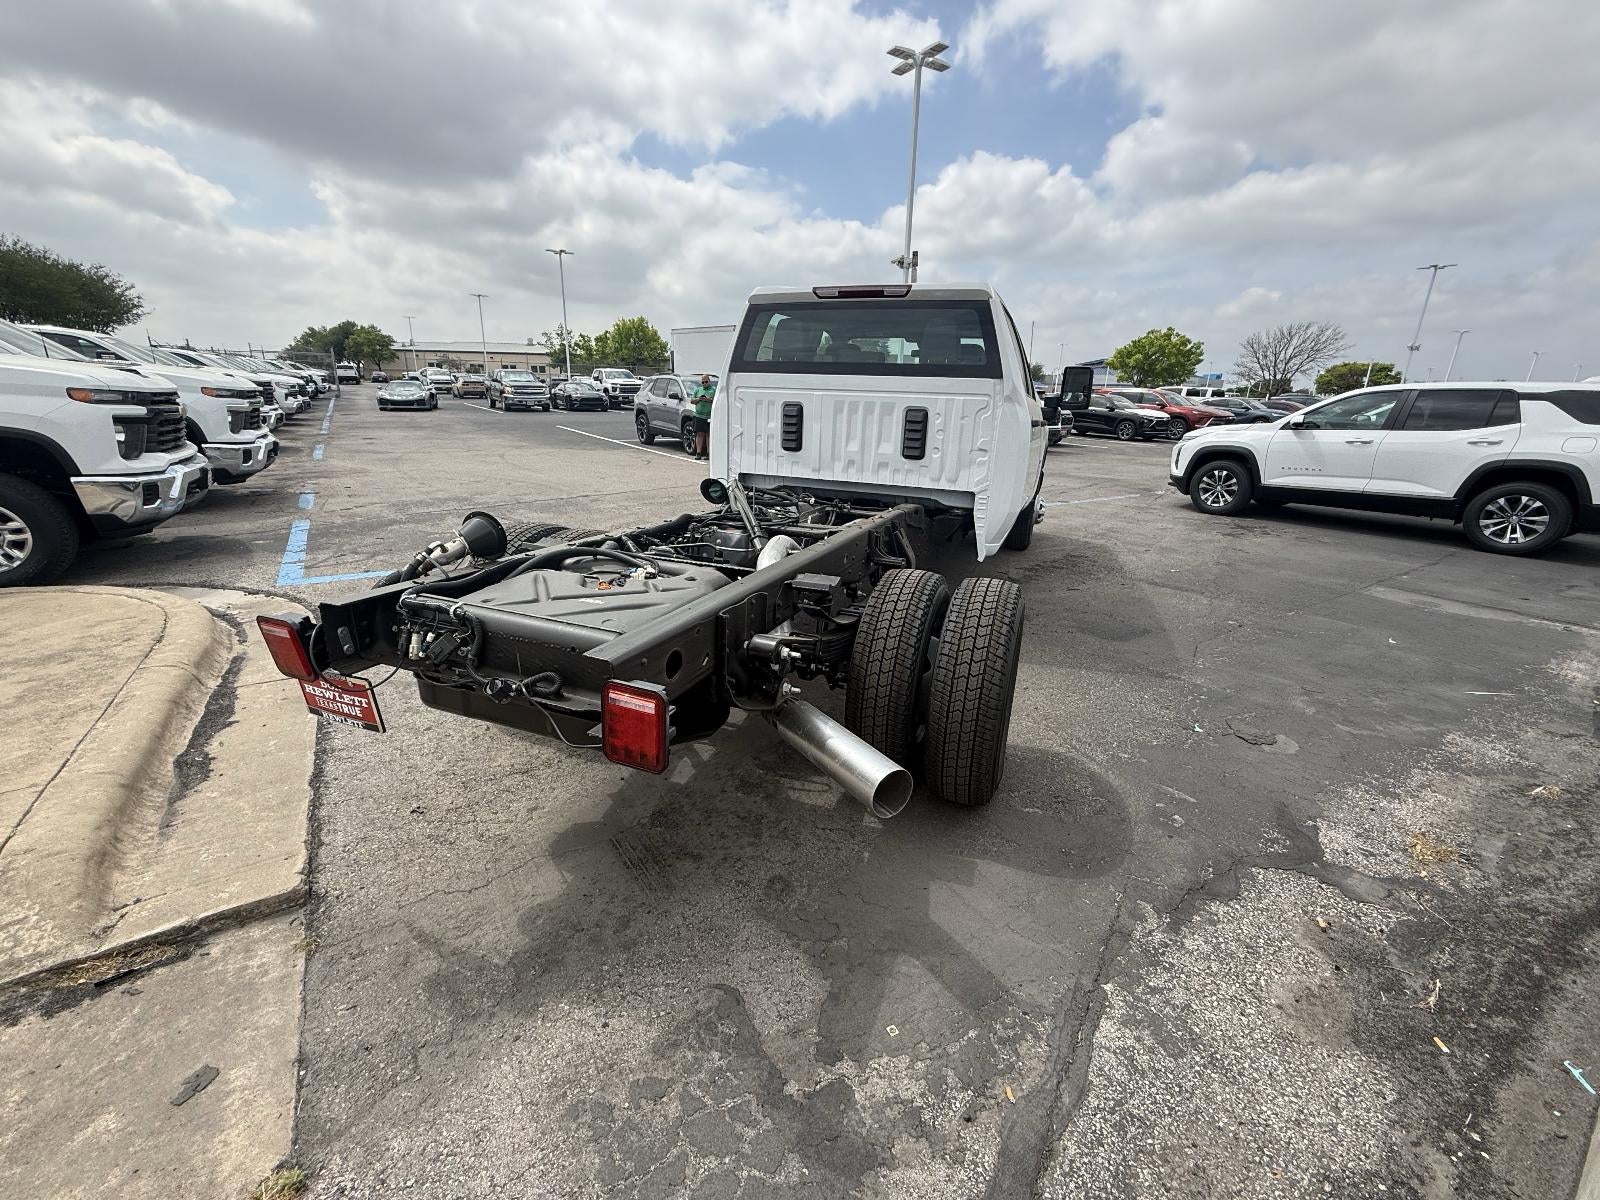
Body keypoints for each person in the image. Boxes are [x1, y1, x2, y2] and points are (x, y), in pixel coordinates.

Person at [689, 374, 716, 460]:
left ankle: (708, 453)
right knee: (699, 434)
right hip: (699, 415)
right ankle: (698, 453)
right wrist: (699, 399)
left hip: (709, 416)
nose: (704, 383)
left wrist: (708, 399)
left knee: (708, 434)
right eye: (703, 382)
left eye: (706, 382)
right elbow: (692, 401)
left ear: (709, 381)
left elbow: (716, 400)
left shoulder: (713, 390)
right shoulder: (698, 390)